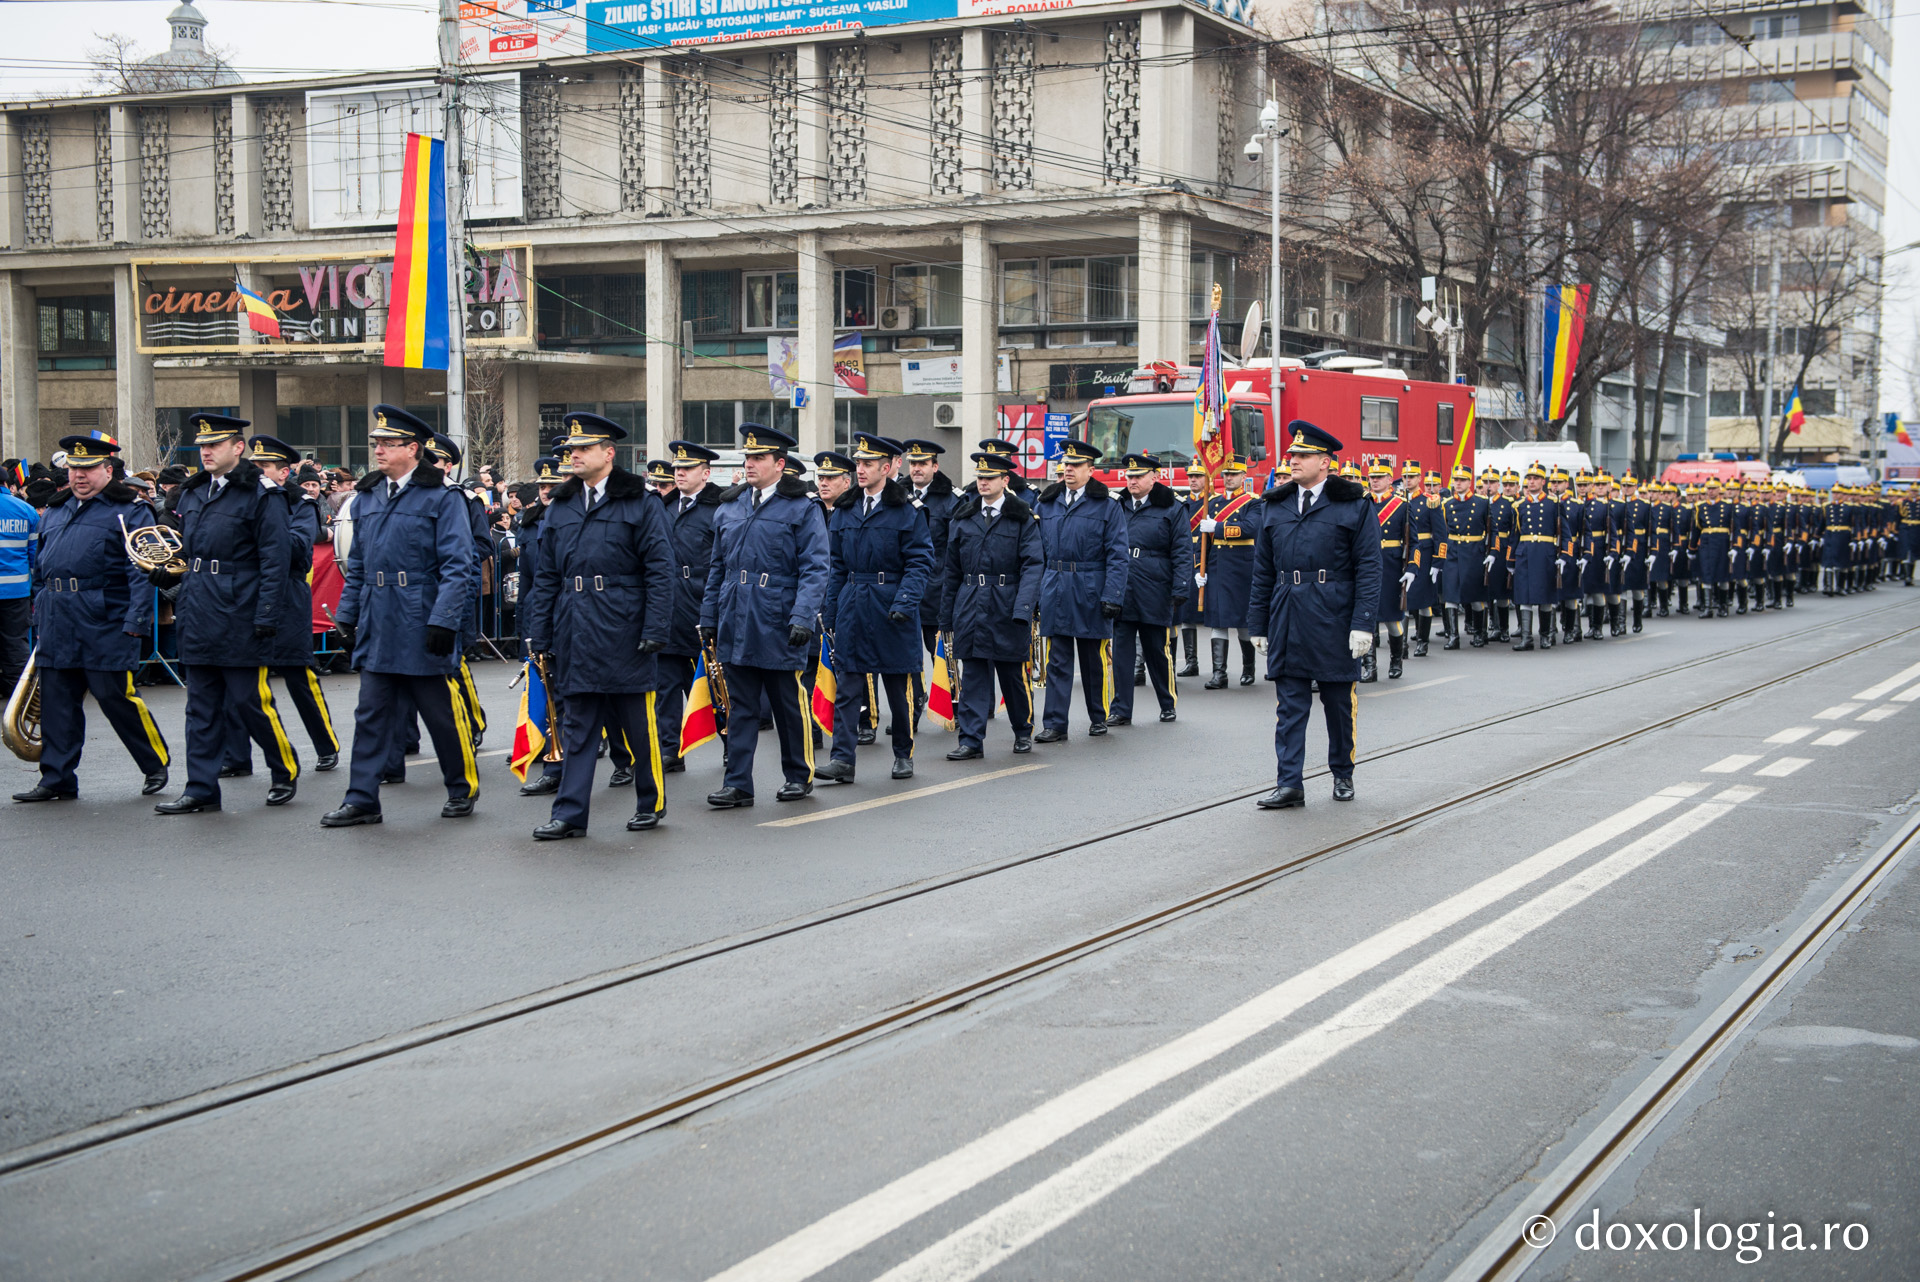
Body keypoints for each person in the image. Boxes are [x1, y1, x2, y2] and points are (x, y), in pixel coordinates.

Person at [321, 406, 481, 827]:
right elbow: (358, 563)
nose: (378, 449)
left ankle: (462, 787)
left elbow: (457, 565)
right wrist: (347, 617)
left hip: (420, 616)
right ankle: (362, 799)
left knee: (441, 715)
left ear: (413, 449)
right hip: (379, 617)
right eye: (375, 443)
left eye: (387, 443)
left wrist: (444, 621)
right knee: (371, 715)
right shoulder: (369, 495)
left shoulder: (442, 496)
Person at [522, 412, 676, 839]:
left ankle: (651, 801)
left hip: (625, 626)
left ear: (608, 454)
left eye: (583, 448)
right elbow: (548, 576)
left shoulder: (639, 501)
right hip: (576, 626)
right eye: (571, 449)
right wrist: (541, 633)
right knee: (578, 726)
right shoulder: (563, 505)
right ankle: (570, 814)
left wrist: (655, 628)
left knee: (637, 724)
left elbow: (660, 570)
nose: (573, 455)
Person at [150, 413, 300, 814]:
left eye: (214, 445)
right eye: (202, 446)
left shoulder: (262, 494)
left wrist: (268, 614)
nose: (206, 452)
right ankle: (201, 788)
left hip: (240, 608)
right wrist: (168, 569)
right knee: (200, 706)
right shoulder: (195, 492)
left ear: (238, 447)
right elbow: (194, 547)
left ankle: (283, 768)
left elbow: (275, 560)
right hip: (199, 607)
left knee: (249, 701)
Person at [13, 434, 171, 803]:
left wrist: (136, 621)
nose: (79, 476)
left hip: (104, 617)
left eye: (87, 469)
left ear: (107, 470)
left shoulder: (130, 509)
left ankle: (154, 764)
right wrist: (39, 607)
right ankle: (57, 779)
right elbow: (41, 565)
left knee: (115, 697)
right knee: (57, 702)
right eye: (73, 469)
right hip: (58, 614)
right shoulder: (56, 508)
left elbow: (140, 571)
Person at [1246, 421, 1381, 809]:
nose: (1293, 461)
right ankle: (1289, 783)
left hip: (1334, 614)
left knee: (1338, 704)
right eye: (1292, 455)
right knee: (1289, 706)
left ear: (1325, 462)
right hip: (1288, 613)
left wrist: (1363, 624)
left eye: (1302, 456)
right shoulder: (1276, 506)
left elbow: (1369, 568)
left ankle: (1342, 773)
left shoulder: (1352, 505)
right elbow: (1263, 570)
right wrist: (1258, 623)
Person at [699, 423, 830, 807]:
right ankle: (738, 783)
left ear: (780, 463)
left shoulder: (801, 508)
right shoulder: (731, 506)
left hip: (778, 615)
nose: (750, 463)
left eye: (759, 458)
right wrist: (709, 615)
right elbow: (717, 567)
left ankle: (798, 774)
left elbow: (815, 567)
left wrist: (803, 617)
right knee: (740, 707)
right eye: (748, 457)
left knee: (787, 702)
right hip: (736, 614)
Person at [815, 433, 936, 784]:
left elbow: (920, 561)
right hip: (855, 602)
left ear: (887, 467)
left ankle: (903, 754)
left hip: (891, 603)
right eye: (859, 463)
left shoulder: (906, 510)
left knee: (898, 687)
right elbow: (836, 564)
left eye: (869, 463)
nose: (861, 469)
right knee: (848, 685)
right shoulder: (846, 509)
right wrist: (831, 609)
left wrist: (904, 601)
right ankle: (842, 759)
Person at [218, 434, 340, 777]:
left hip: (286, 596)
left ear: (284, 472)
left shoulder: (299, 502)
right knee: (238, 678)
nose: (257, 471)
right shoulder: (241, 497)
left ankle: (325, 745)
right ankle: (237, 756)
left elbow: (300, 548)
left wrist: (265, 530)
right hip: (247, 596)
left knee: (298, 676)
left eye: (265, 466)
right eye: (253, 465)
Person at [940, 448, 1043, 758]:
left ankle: (1022, 730)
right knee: (972, 674)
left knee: (1012, 674)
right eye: (980, 478)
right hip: (971, 603)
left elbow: (1033, 564)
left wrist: (1024, 608)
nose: (982, 483)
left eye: (989, 478)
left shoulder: (1021, 516)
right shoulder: (964, 518)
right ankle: (970, 740)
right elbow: (952, 570)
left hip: (1007, 603)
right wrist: (946, 617)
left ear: (1004, 480)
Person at [1033, 438, 1128, 742]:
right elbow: (1036, 553)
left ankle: (1098, 716)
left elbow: (1117, 554)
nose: (1068, 469)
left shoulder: (1107, 505)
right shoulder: (1046, 503)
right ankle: (1055, 724)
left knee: (1093, 659)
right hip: (1056, 585)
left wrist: (1113, 595)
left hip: (1090, 586)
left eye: (1075, 465)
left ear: (1091, 469)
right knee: (1057, 661)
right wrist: (1035, 594)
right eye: (1066, 464)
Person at [654, 441, 727, 773]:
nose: (679, 474)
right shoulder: (664, 508)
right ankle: (670, 748)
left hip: (702, 601)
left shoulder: (718, 509)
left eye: (687, 469)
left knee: (714, 682)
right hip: (669, 603)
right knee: (666, 684)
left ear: (706, 473)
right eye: (677, 469)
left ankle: (731, 743)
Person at [1108, 452, 1186, 722]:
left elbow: (1182, 551)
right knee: (1121, 654)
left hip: (1155, 585)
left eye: (1138, 476)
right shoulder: (1117, 505)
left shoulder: (1172, 507)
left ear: (1155, 477)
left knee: (1157, 650)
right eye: (1129, 476)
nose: (1132, 481)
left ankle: (1167, 703)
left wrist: (1180, 588)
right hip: (1123, 586)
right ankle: (1120, 710)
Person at [899, 437, 957, 716]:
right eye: (913, 463)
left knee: (941, 654)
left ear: (935, 466)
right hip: (903, 589)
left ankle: (955, 705)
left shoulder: (951, 500)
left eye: (923, 463)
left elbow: (957, 550)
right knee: (906, 655)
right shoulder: (895, 495)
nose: (917, 469)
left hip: (937, 588)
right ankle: (912, 705)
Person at [1197, 459, 1260, 688]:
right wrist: (1198, 569)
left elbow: (1251, 527)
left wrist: (1219, 528)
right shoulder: (1212, 502)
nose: (1229, 478)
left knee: (1243, 621)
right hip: (1217, 565)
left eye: (1234, 474)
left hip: (1242, 567)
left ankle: (1248, 668)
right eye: (1225, 474)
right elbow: (1202, 542)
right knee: (1218, 620)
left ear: (1244, 476)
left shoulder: (1253, 502)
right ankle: (1219, 673)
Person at [1508, 461, 1569, 651]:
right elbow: (1514, 535)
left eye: (1536, 479)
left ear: (1544, 481)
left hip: (1545, 554)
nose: (1532, 482)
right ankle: (1527, 638)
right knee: (1524, 597)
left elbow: (1565, 533)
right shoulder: (1519, 506)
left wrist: (1564, 555)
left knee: (1545, 596)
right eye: (1530, 479)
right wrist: (1510, 561)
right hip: (1525, 553)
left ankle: (1545, 635)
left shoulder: (1554, 504)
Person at [1364, 460, 1417, 676]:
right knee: (1366, 618)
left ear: (1389, 479)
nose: (1375, 481)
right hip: (1367, 566)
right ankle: (1370, 666)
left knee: (1393, 621)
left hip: (1392, 567)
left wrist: (1412, 568)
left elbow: (1414, 542)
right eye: (1372, 477)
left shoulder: (1402, 505)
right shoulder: (1364, 504)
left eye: (1380, 477)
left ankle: (1396, 661)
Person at [1437, 463, 1493, 649]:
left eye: (1462, 480)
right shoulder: (1447, 504)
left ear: (1470, 482)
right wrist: (1440, 559)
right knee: (1450, 596)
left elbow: (1492, 531)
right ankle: (1453, 636)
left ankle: (1479, 632)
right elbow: (1442, 534)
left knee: (1475, 597)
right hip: (1453, 552)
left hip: (1474, 552)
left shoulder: (1481, 502)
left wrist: (1492, 553)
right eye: (1456, 480)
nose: (1458, 483)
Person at [0, 461, 36, 697]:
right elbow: (36, 557)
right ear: (7, 484)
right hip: (16, 593)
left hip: (16, 592)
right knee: (15, 647)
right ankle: (23, 700)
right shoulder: (26, 510)